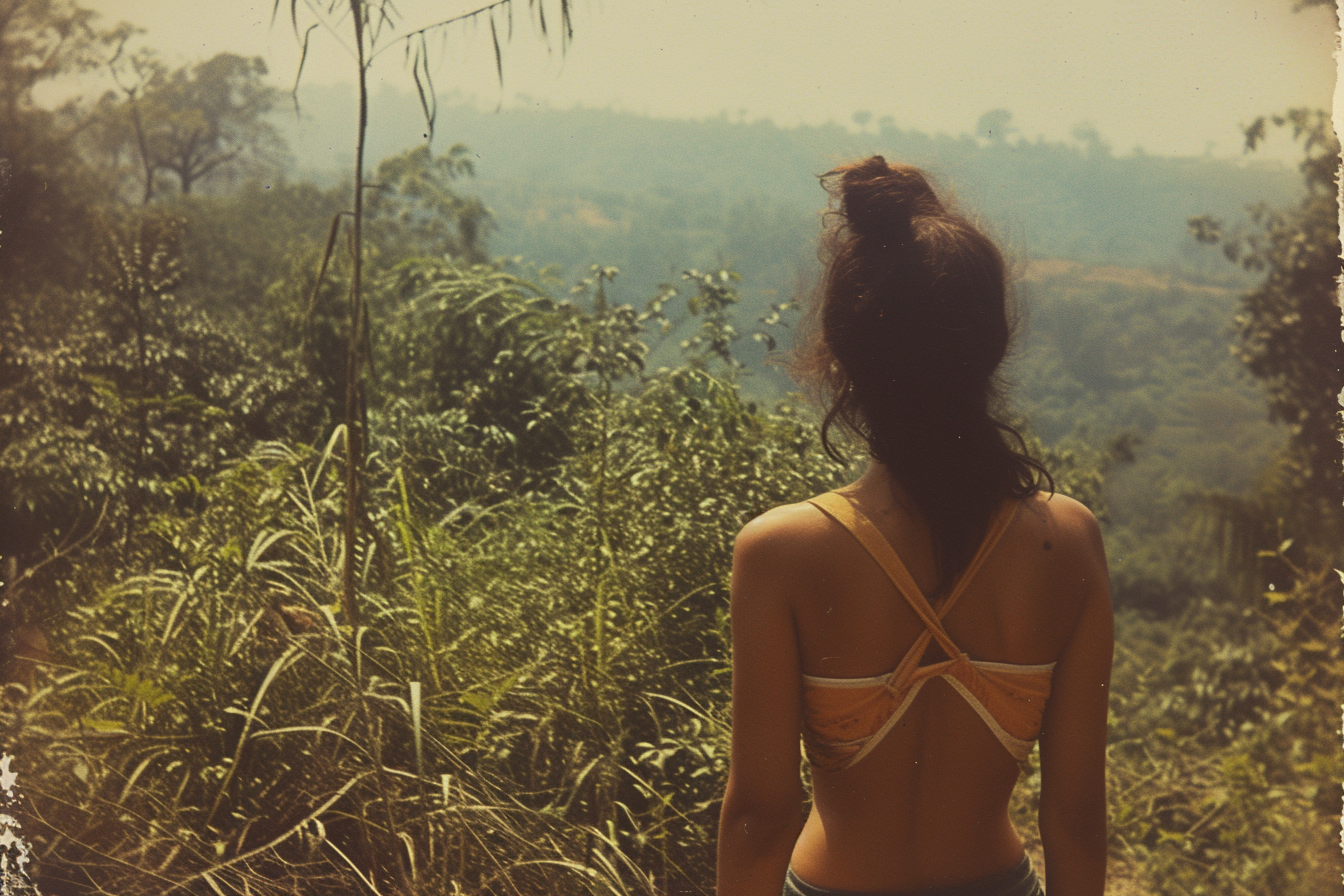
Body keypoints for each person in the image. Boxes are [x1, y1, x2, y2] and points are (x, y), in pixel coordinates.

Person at [716, 156, 1112, 896]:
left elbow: (760, 817)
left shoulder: (780, 551)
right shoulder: (1069, 543)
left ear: (843, 351)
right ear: (990, 344)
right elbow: (1078, 817)